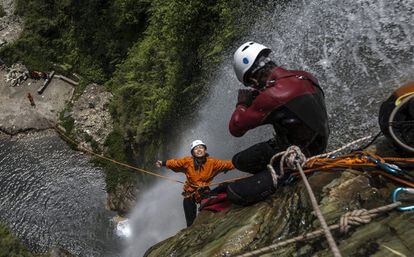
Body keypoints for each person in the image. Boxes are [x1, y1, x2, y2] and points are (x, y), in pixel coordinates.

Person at [226, 41, 330, 205]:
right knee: (239, 160)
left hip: (300, 158)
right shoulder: (303, 75)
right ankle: (274, 169)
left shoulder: (271, 95)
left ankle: (287, 175)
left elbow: (236, 127)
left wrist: (242, 103)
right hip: (316, 143)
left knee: (234, 194)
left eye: (250, 84)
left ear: (253, 79)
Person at [155, 140, 234, 227]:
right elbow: (175, 163)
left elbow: (227, 164)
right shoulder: (187, 162)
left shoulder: (212, 163)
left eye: (201, 147)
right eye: (196, 149)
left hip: (204, 192)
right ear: (193, 153)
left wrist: (240, 162)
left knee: (217, 197)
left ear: (205, 150)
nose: (199, 150)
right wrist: (163, 163)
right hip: (190, 194)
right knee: (190, 223)